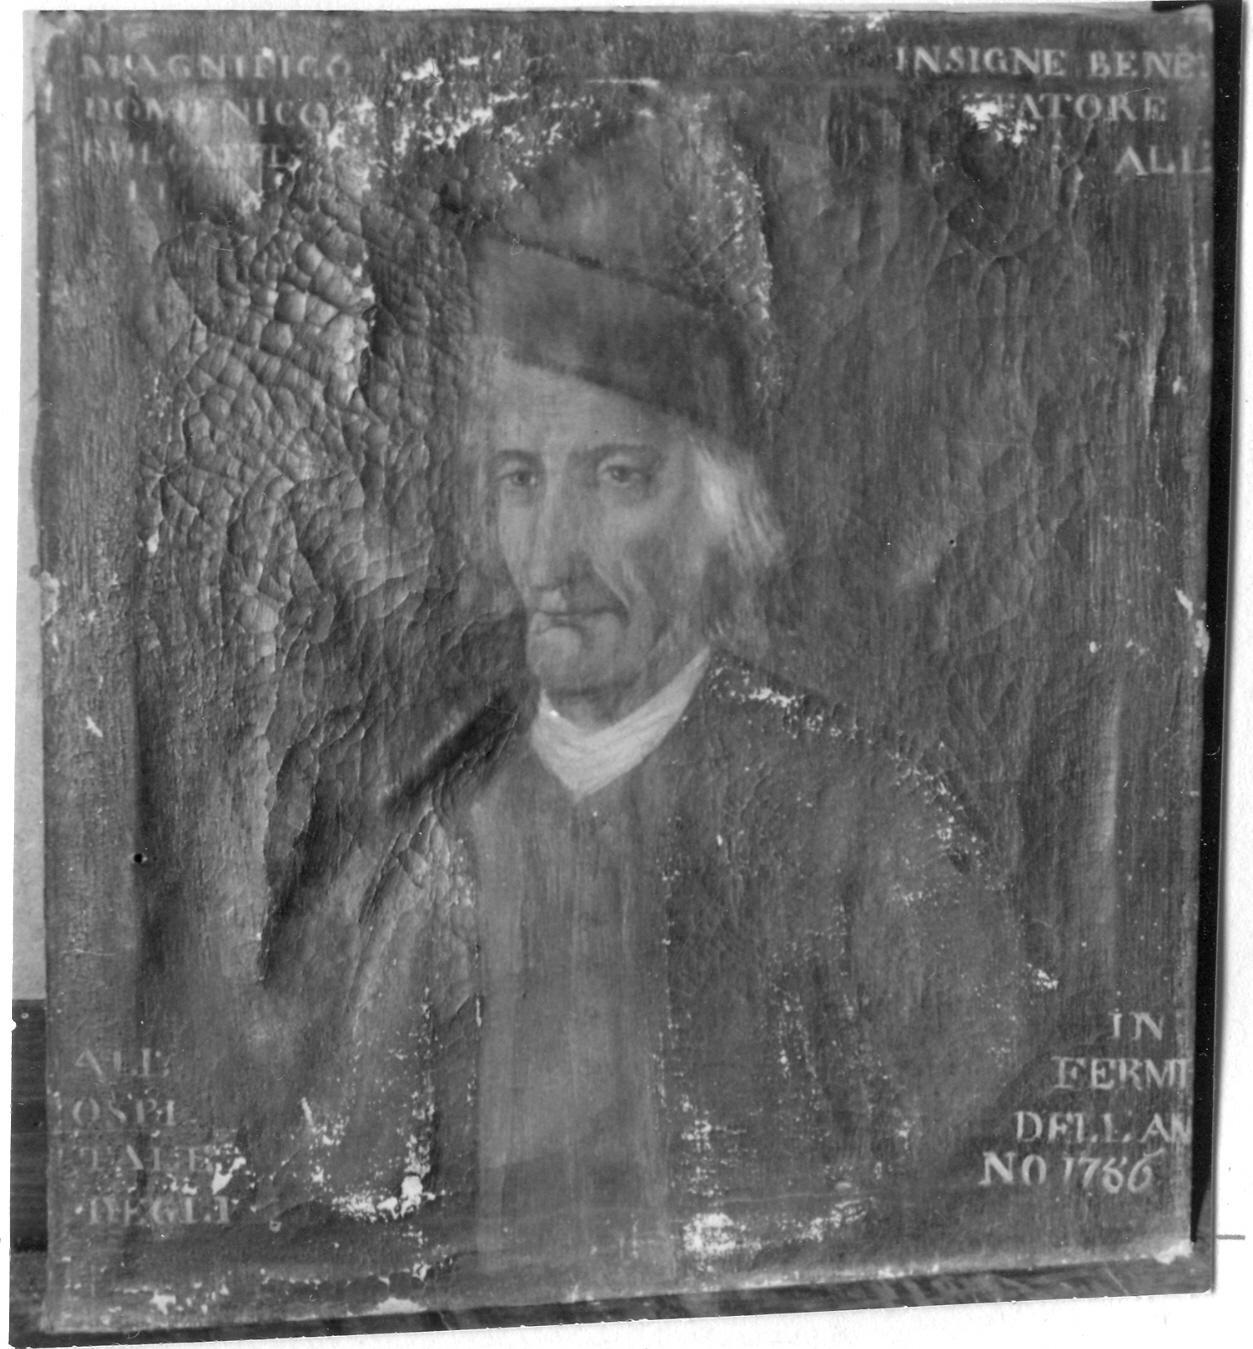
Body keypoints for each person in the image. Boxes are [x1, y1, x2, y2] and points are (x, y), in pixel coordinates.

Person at [257, 107, 1027, 1293]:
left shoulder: (871, 826)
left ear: (723, 510)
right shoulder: (431, 843)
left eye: (616, 475)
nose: (551, 551)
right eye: (519, 478)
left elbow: (966, 1189)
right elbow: (342, 1205)